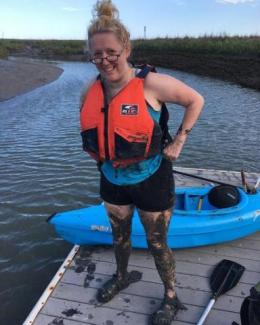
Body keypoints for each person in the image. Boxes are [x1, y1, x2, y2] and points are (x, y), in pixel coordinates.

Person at [80, 1, 204, 324]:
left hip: (152, 177)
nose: (104, 60)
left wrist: (179, 141)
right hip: (113, 179)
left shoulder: (149, 84)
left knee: (157, 241)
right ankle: (122, 276)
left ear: (126, 48)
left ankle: (171, 297)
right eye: (97, 54)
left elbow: (196, 100)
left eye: (111, 51)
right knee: (119, 237)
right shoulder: (89, 91)